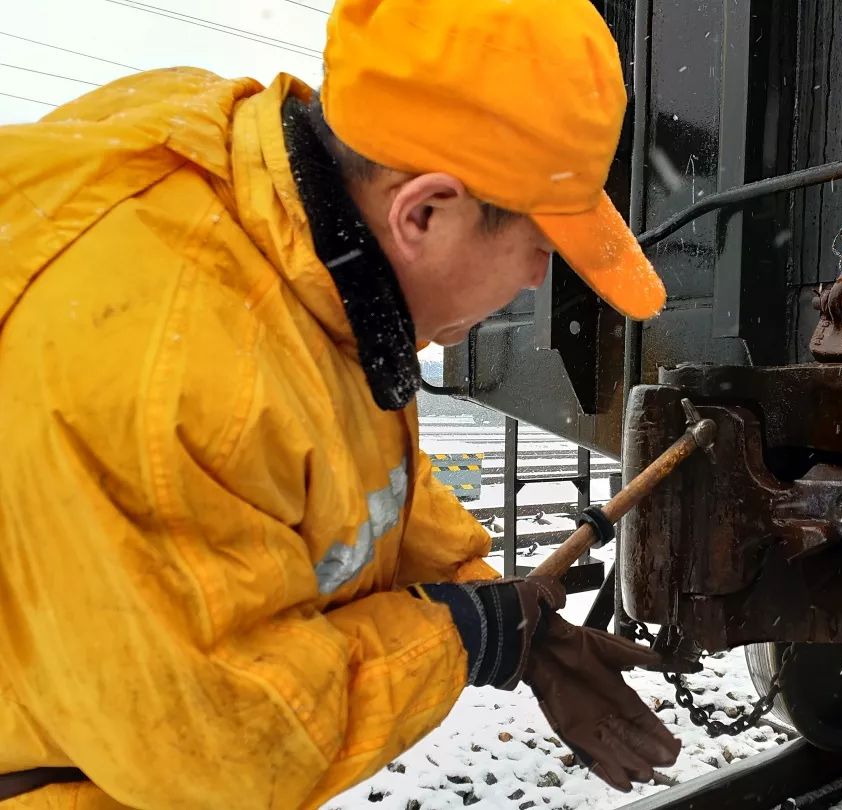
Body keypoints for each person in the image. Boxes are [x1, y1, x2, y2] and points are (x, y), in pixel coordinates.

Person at [0, 0, 677, 806]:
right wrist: (469, 636)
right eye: (540, 248)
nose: (538, 281)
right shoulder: (172, 382)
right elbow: (230, 748)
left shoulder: (290, 231)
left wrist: (512, 620)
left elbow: (360, 474)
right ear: (423, 212)